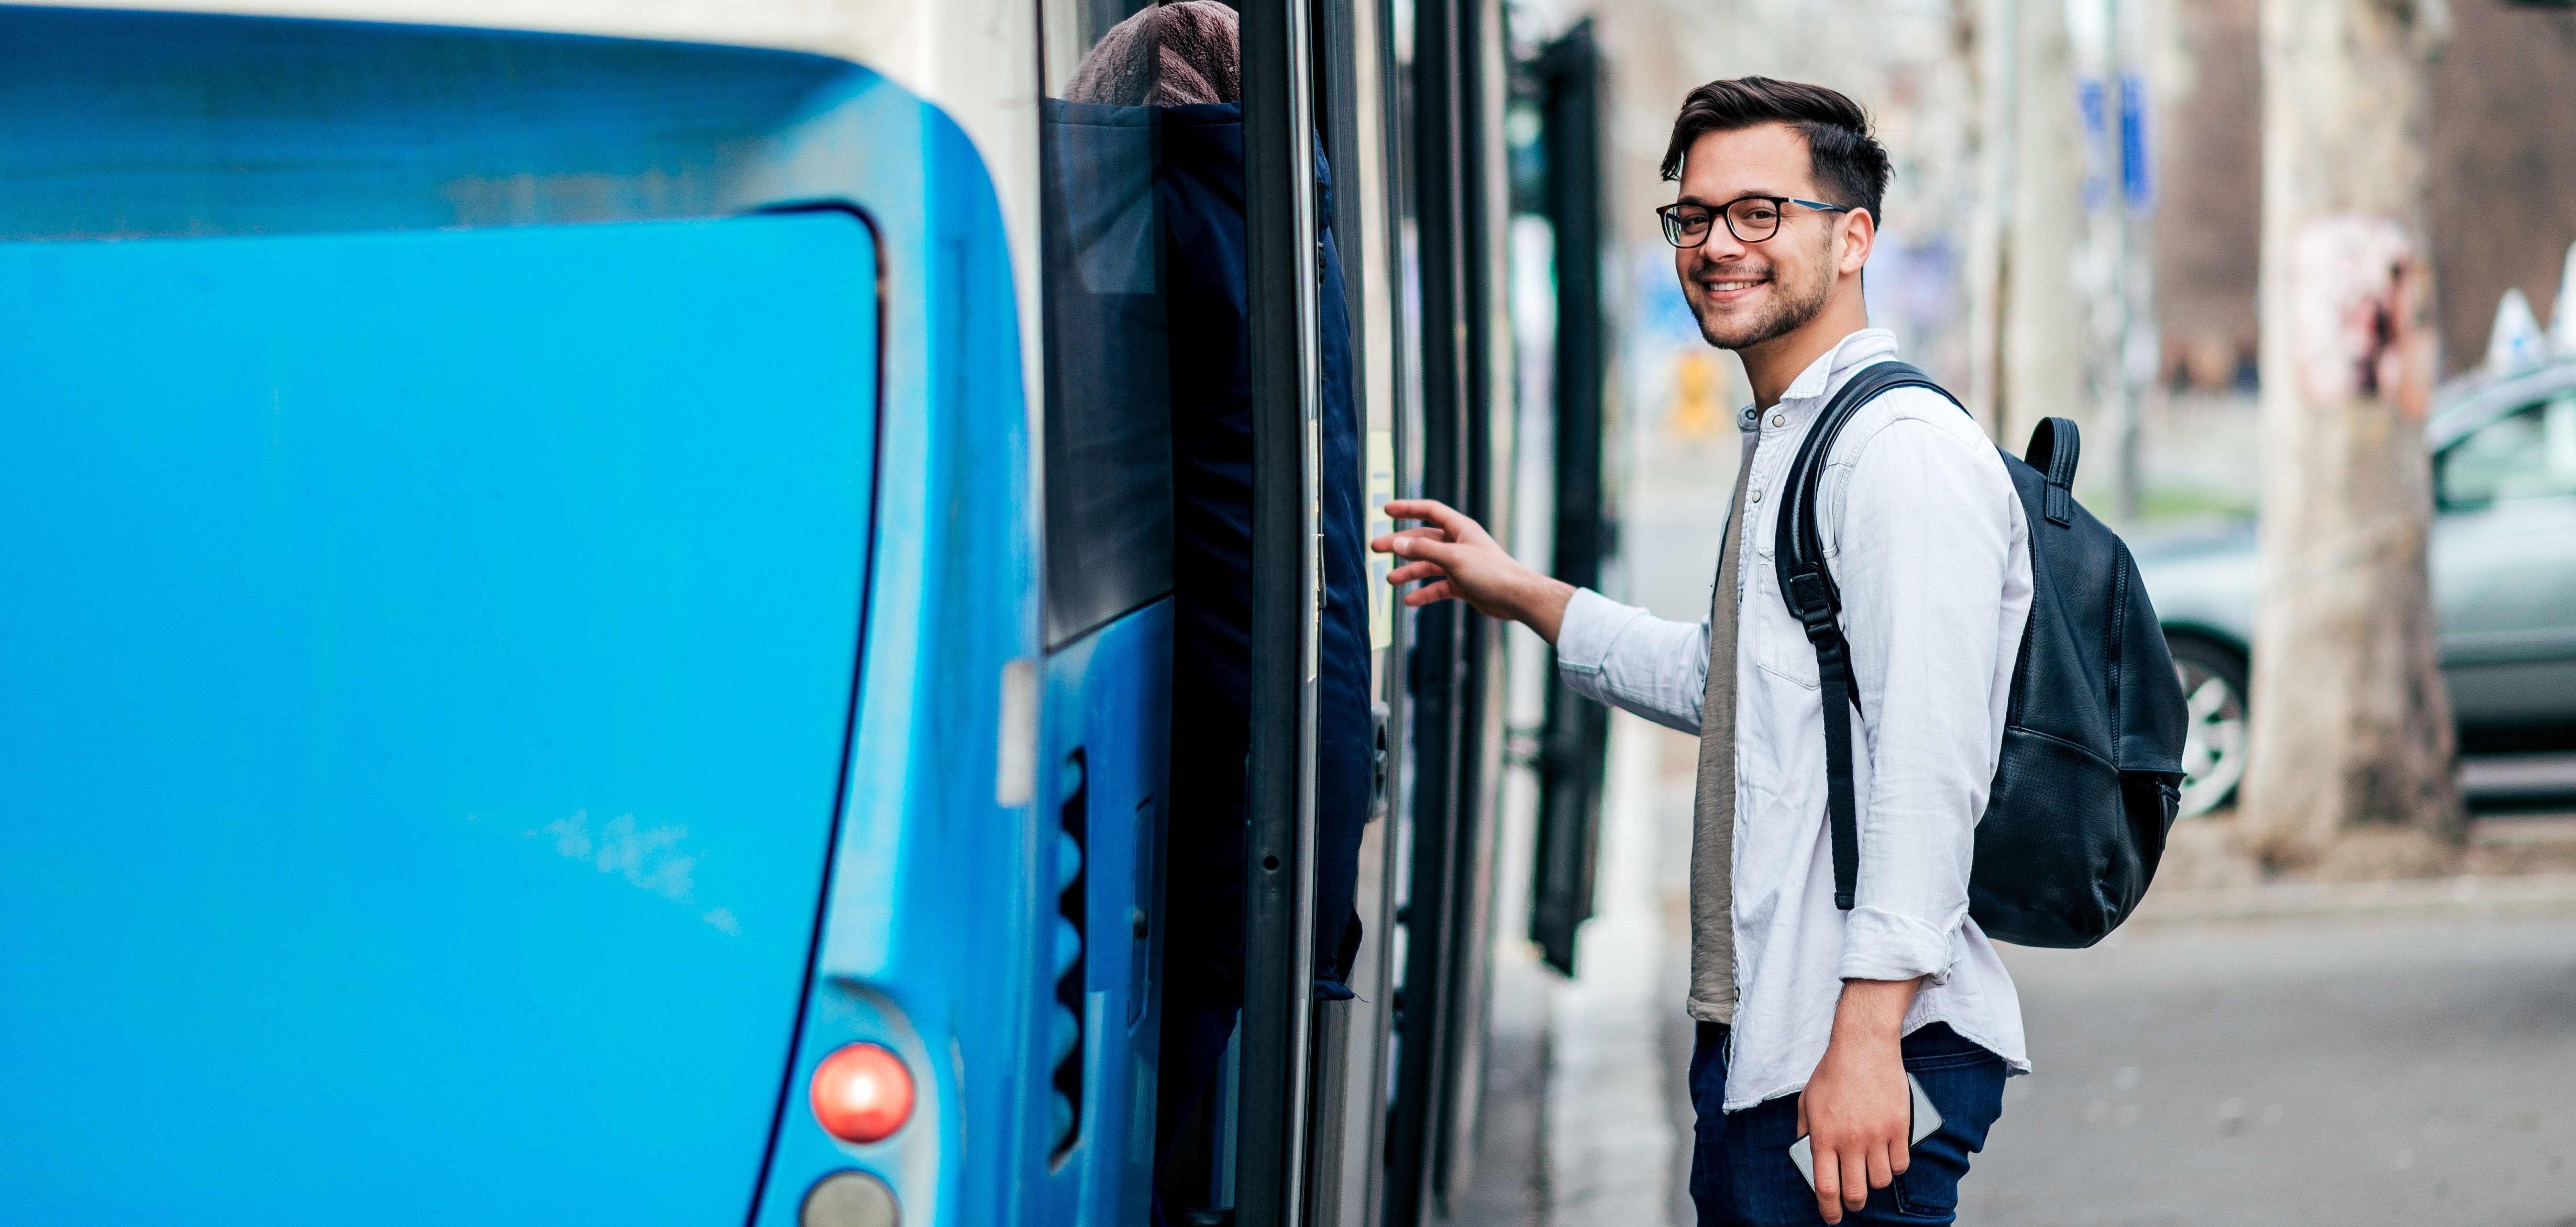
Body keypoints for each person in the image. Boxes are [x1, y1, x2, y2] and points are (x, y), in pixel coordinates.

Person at [1371, 78, 2028, 1227]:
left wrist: (1867, 1039)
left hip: (1851, 1044)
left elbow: (1932, 768)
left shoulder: (1898, 456)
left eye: (1759, 213)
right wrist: (1525, 593)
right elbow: (1729, 689)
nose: (1717, 245)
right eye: (1695, 217)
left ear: (1854, 235)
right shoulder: (1796, 434)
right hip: (1773, 1036)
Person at [1064, 5, 1377, 1221]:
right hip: (1237, 811)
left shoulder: (1122, 228)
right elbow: (1306, 601)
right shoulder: (1264, 235)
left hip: (1190, 794)